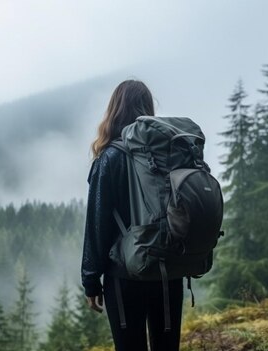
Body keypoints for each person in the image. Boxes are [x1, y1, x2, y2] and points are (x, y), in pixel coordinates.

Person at [81, 80, 184, 351]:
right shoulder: (170, 153)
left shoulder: (110, 158)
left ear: (114, 109)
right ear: (148, 109)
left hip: (126, 275)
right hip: (168, 269)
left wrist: (90, 281)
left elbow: (97, 224)